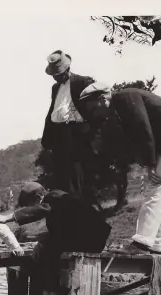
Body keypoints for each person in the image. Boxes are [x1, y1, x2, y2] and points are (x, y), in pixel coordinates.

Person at [79, 82, 161, 255]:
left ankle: (142, 242)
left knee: (155, 188)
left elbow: (143, 129)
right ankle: (158, 243)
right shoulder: (123, 101)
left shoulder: (123, 99)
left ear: (103, 98)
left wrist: (150, 164)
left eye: (94, 108)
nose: (96, 114)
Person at [0, 182, 111, 295]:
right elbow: (59, 232)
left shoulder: (54, 197)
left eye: (31, 204)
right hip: (86, 238)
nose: (31, 208)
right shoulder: (59, 206)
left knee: (49, 250)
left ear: (39, 197)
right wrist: (39, 241)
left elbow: (41, 211)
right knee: (46, 249)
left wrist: (8, 217)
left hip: (93, 239)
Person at [41, 50, 96, 202]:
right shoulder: (55, 88)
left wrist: (88, 131)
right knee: (62, 178)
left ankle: (80, 211)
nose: (55, 77)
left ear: (67, 69)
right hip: (59, 136)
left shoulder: (83, 82)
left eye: (58, 73)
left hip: (75, 134)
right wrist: (47, 140)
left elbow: (94, 110)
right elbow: (53, 111)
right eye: (54, 74)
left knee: (76, 176)